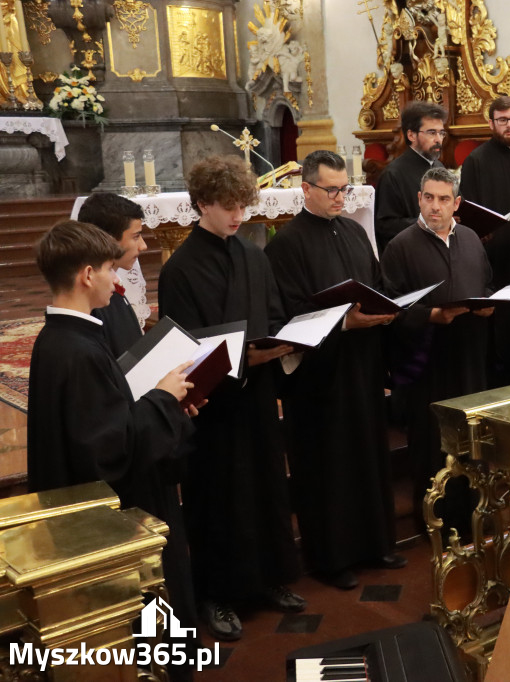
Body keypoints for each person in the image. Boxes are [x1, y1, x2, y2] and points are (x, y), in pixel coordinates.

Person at [27, 220, 199, 680]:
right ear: (87, 275)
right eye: (108, 268)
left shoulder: (61, 338)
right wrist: (164, 400)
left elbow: (100, 422)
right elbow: (108, 451)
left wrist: (161, 405)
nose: (116, 278)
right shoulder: (77, 350)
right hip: (112, 526)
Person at [158, 155, 303, 642]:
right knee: (219, 498)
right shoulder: (179, 268)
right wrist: (245, 357)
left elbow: (274, 312)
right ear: (202, 203)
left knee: (266, 488)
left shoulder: (253, 254)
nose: (237, 215)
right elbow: (187, 345)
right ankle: (217, 593)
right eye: (226, 206)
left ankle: (269, 579)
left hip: (257, 396)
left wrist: (285, 341)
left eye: (242, 204)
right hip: (213, 405)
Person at [264, 150, 405, 591]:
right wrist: (344, 321)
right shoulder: (285, 245)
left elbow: (377, 283)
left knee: (367, 452)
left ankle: (376, 543)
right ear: (305, 189)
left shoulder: (354, 232)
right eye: (331, 190)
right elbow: (290, 312)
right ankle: (332, 556)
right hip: (320, 376)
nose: (340, 198)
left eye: (344, 189)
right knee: (330, 463)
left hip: (361, 364)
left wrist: (388, 308)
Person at [380, 167, 492, 535]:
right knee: (433, 448)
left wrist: (491, 305)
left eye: (444, 199)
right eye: (428, 197)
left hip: (470, 360)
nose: (435, 206)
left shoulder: (472, 238)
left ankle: (474, 517)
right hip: (427, 367)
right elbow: (390, 311)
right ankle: (437, 525)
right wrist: (430, 315)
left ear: (457, 203)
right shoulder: (400, 246)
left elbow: (487, 285)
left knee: (471, 444)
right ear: (418, 199)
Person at [459, 95, 510, 386]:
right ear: (491, 122)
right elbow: (467, 214)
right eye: (503, 120)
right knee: (500, 336)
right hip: (493, 262)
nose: (509, 125)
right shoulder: (476, 161)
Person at [77, 192, 148, 357]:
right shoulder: (95, 300)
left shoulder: (112, 287)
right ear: (108, 239)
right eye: (136, 237)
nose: (143, 246)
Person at [374, 100, 447, 253]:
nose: (438, 139)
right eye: (432, 132)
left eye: (441, 133)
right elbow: (385, 226)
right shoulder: (392, 174)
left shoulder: (440, 168)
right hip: (411, 254)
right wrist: (426, 223)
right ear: (411, 135)